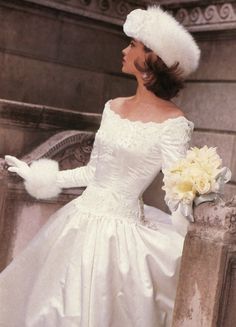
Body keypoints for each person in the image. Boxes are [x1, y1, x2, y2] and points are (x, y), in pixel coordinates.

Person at [0, 5, 200, 327]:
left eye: (133, 44)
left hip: (121, 240)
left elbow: (177, 191)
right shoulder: (113, 107)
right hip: (78, 224)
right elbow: (94, 172)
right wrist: (36, 173)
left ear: (152, 57)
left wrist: (195, 216)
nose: (124, 49)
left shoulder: (174, 123)